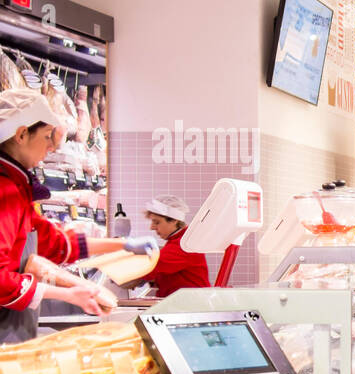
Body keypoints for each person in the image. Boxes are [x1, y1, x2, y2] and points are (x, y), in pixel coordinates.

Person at [0, 89, 154, 343]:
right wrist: (70, 294)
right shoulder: (5, 191)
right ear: (22, 134)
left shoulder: (16, 188)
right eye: (48, 136)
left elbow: (56, 242)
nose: (52, 146)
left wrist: (122, 245)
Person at [138, 196, 211, 296]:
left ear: (174, 220)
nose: (152, 227)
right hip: (183, 303)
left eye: (157, 222)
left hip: (191, 306)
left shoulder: (183, 245)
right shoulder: (177, 240)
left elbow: (151, 267)